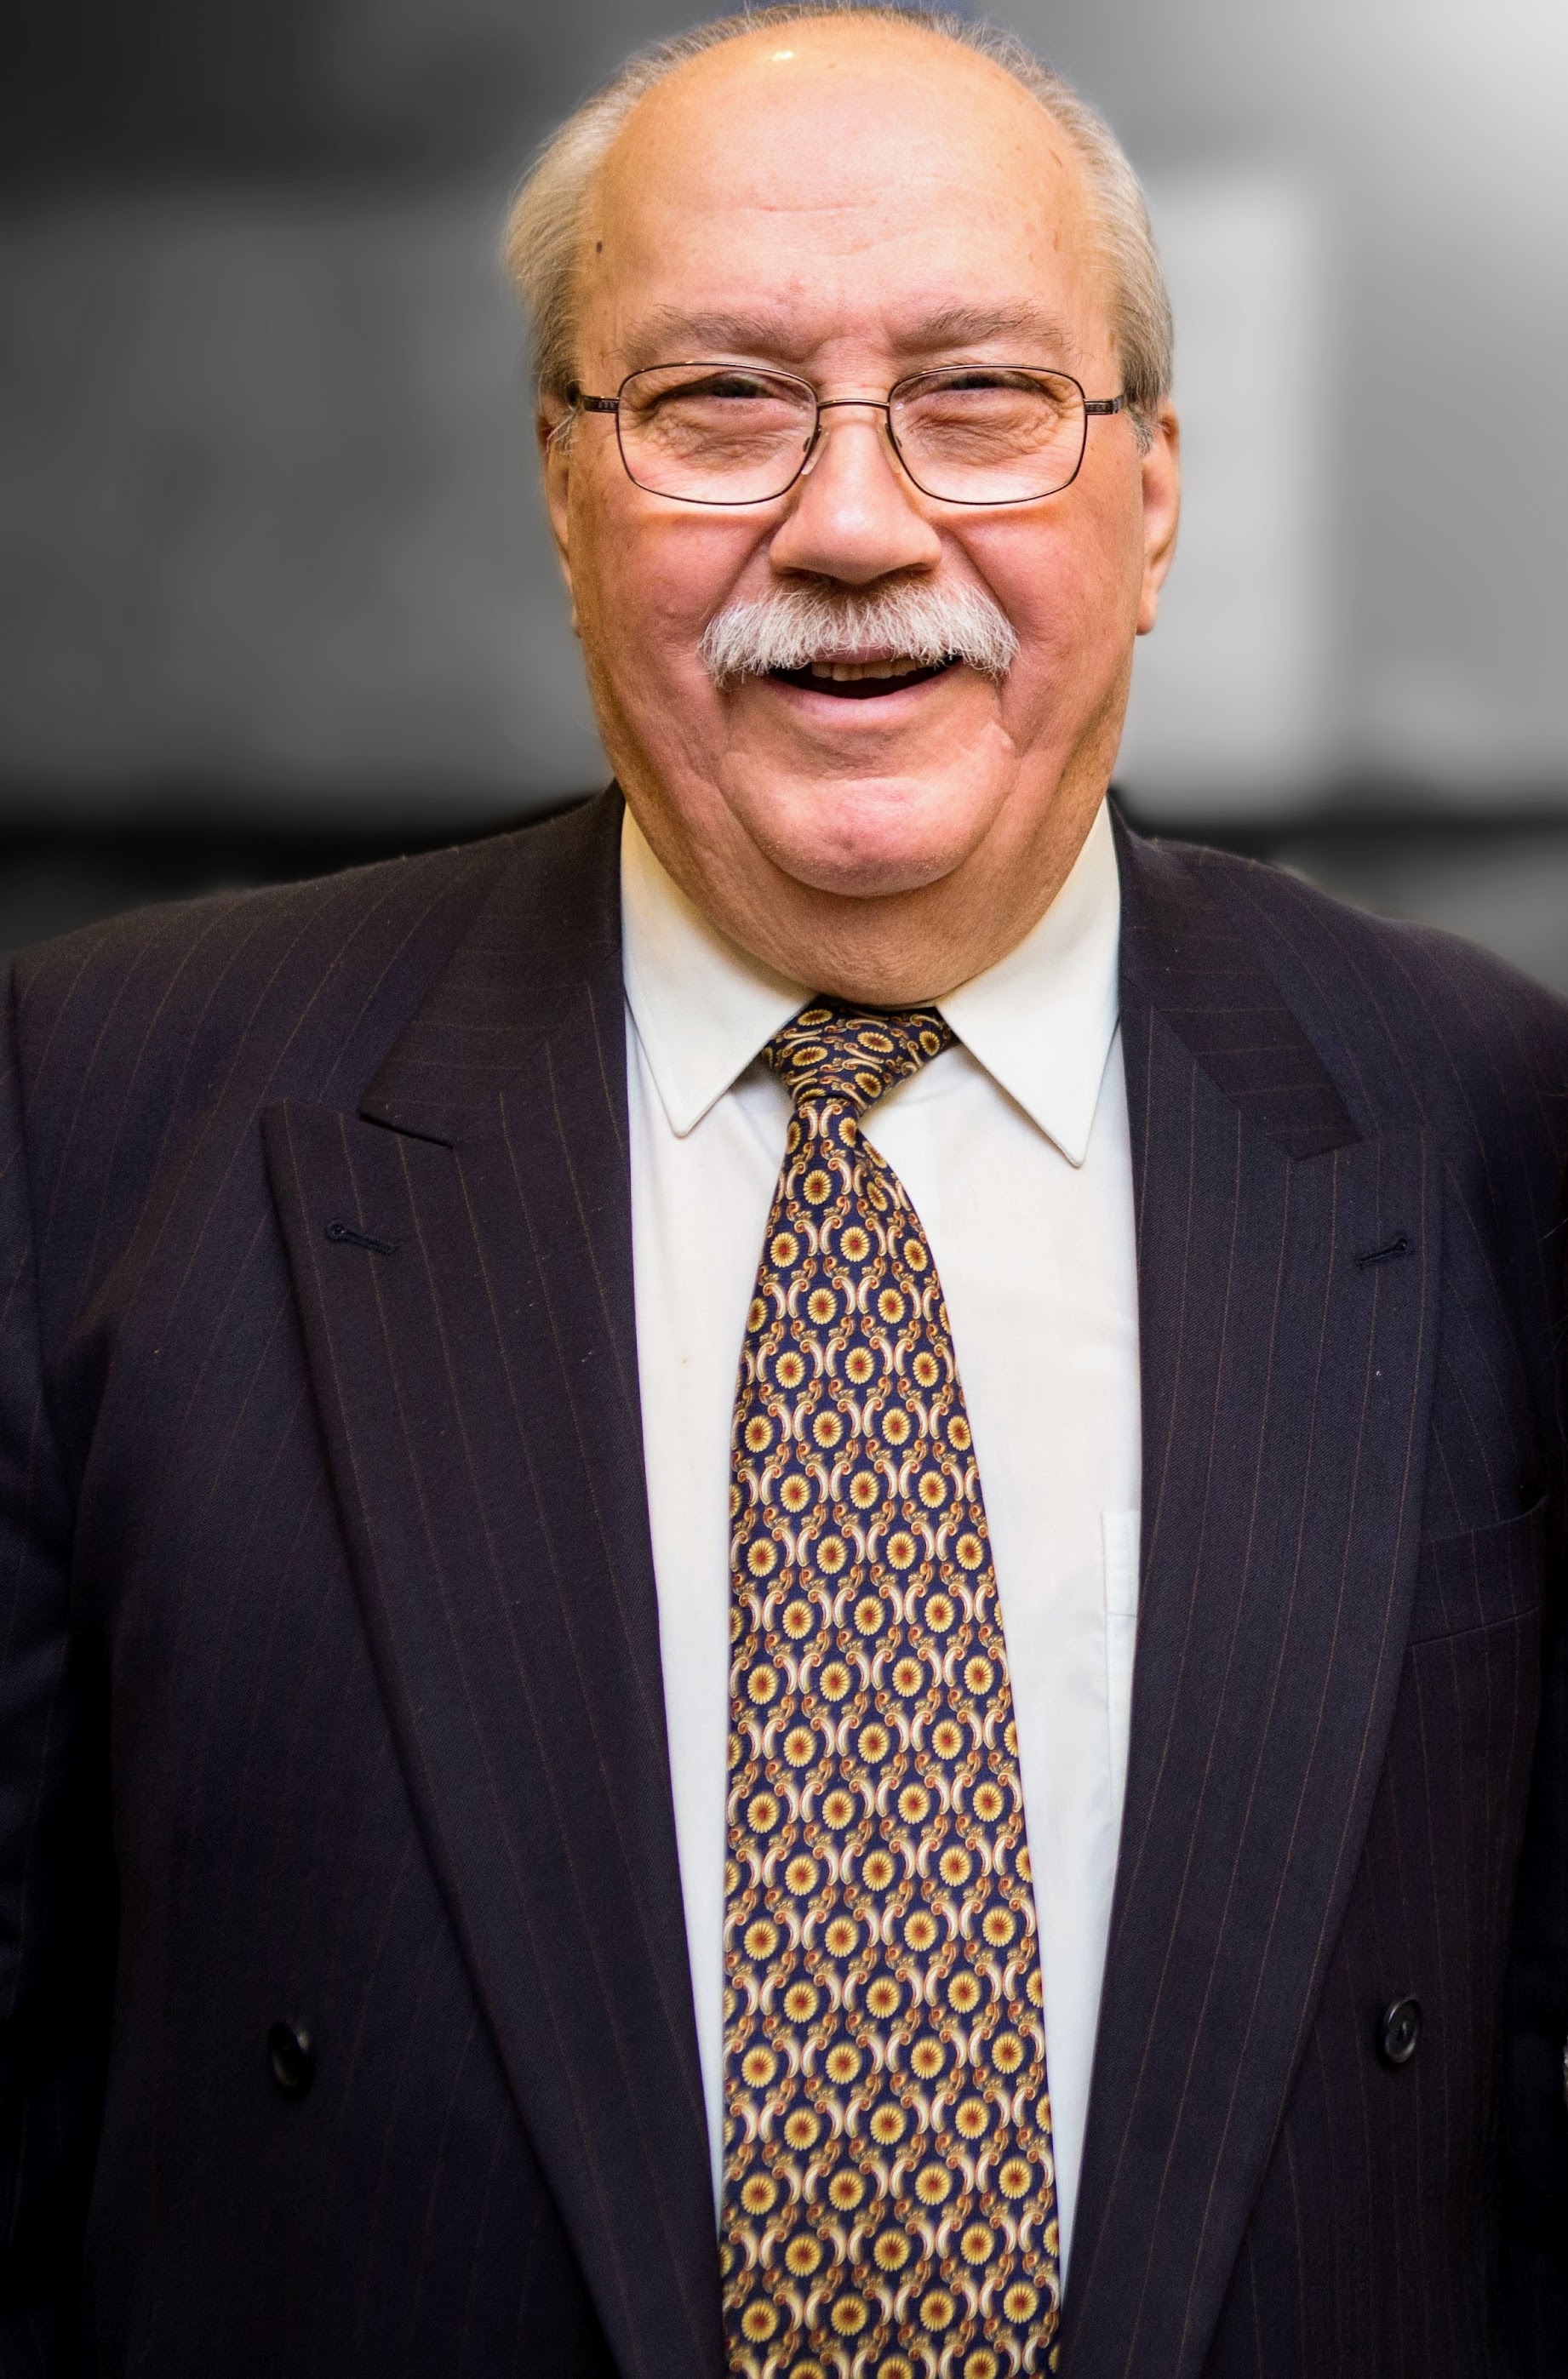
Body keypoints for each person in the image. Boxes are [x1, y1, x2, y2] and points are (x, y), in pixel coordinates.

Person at [1, 8, 1564, 2373]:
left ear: (1150, 494)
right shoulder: (98, 1113)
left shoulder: (1493, 1120)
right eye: (719, 400)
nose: (850, 526)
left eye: (979, 397)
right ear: (565, 492)